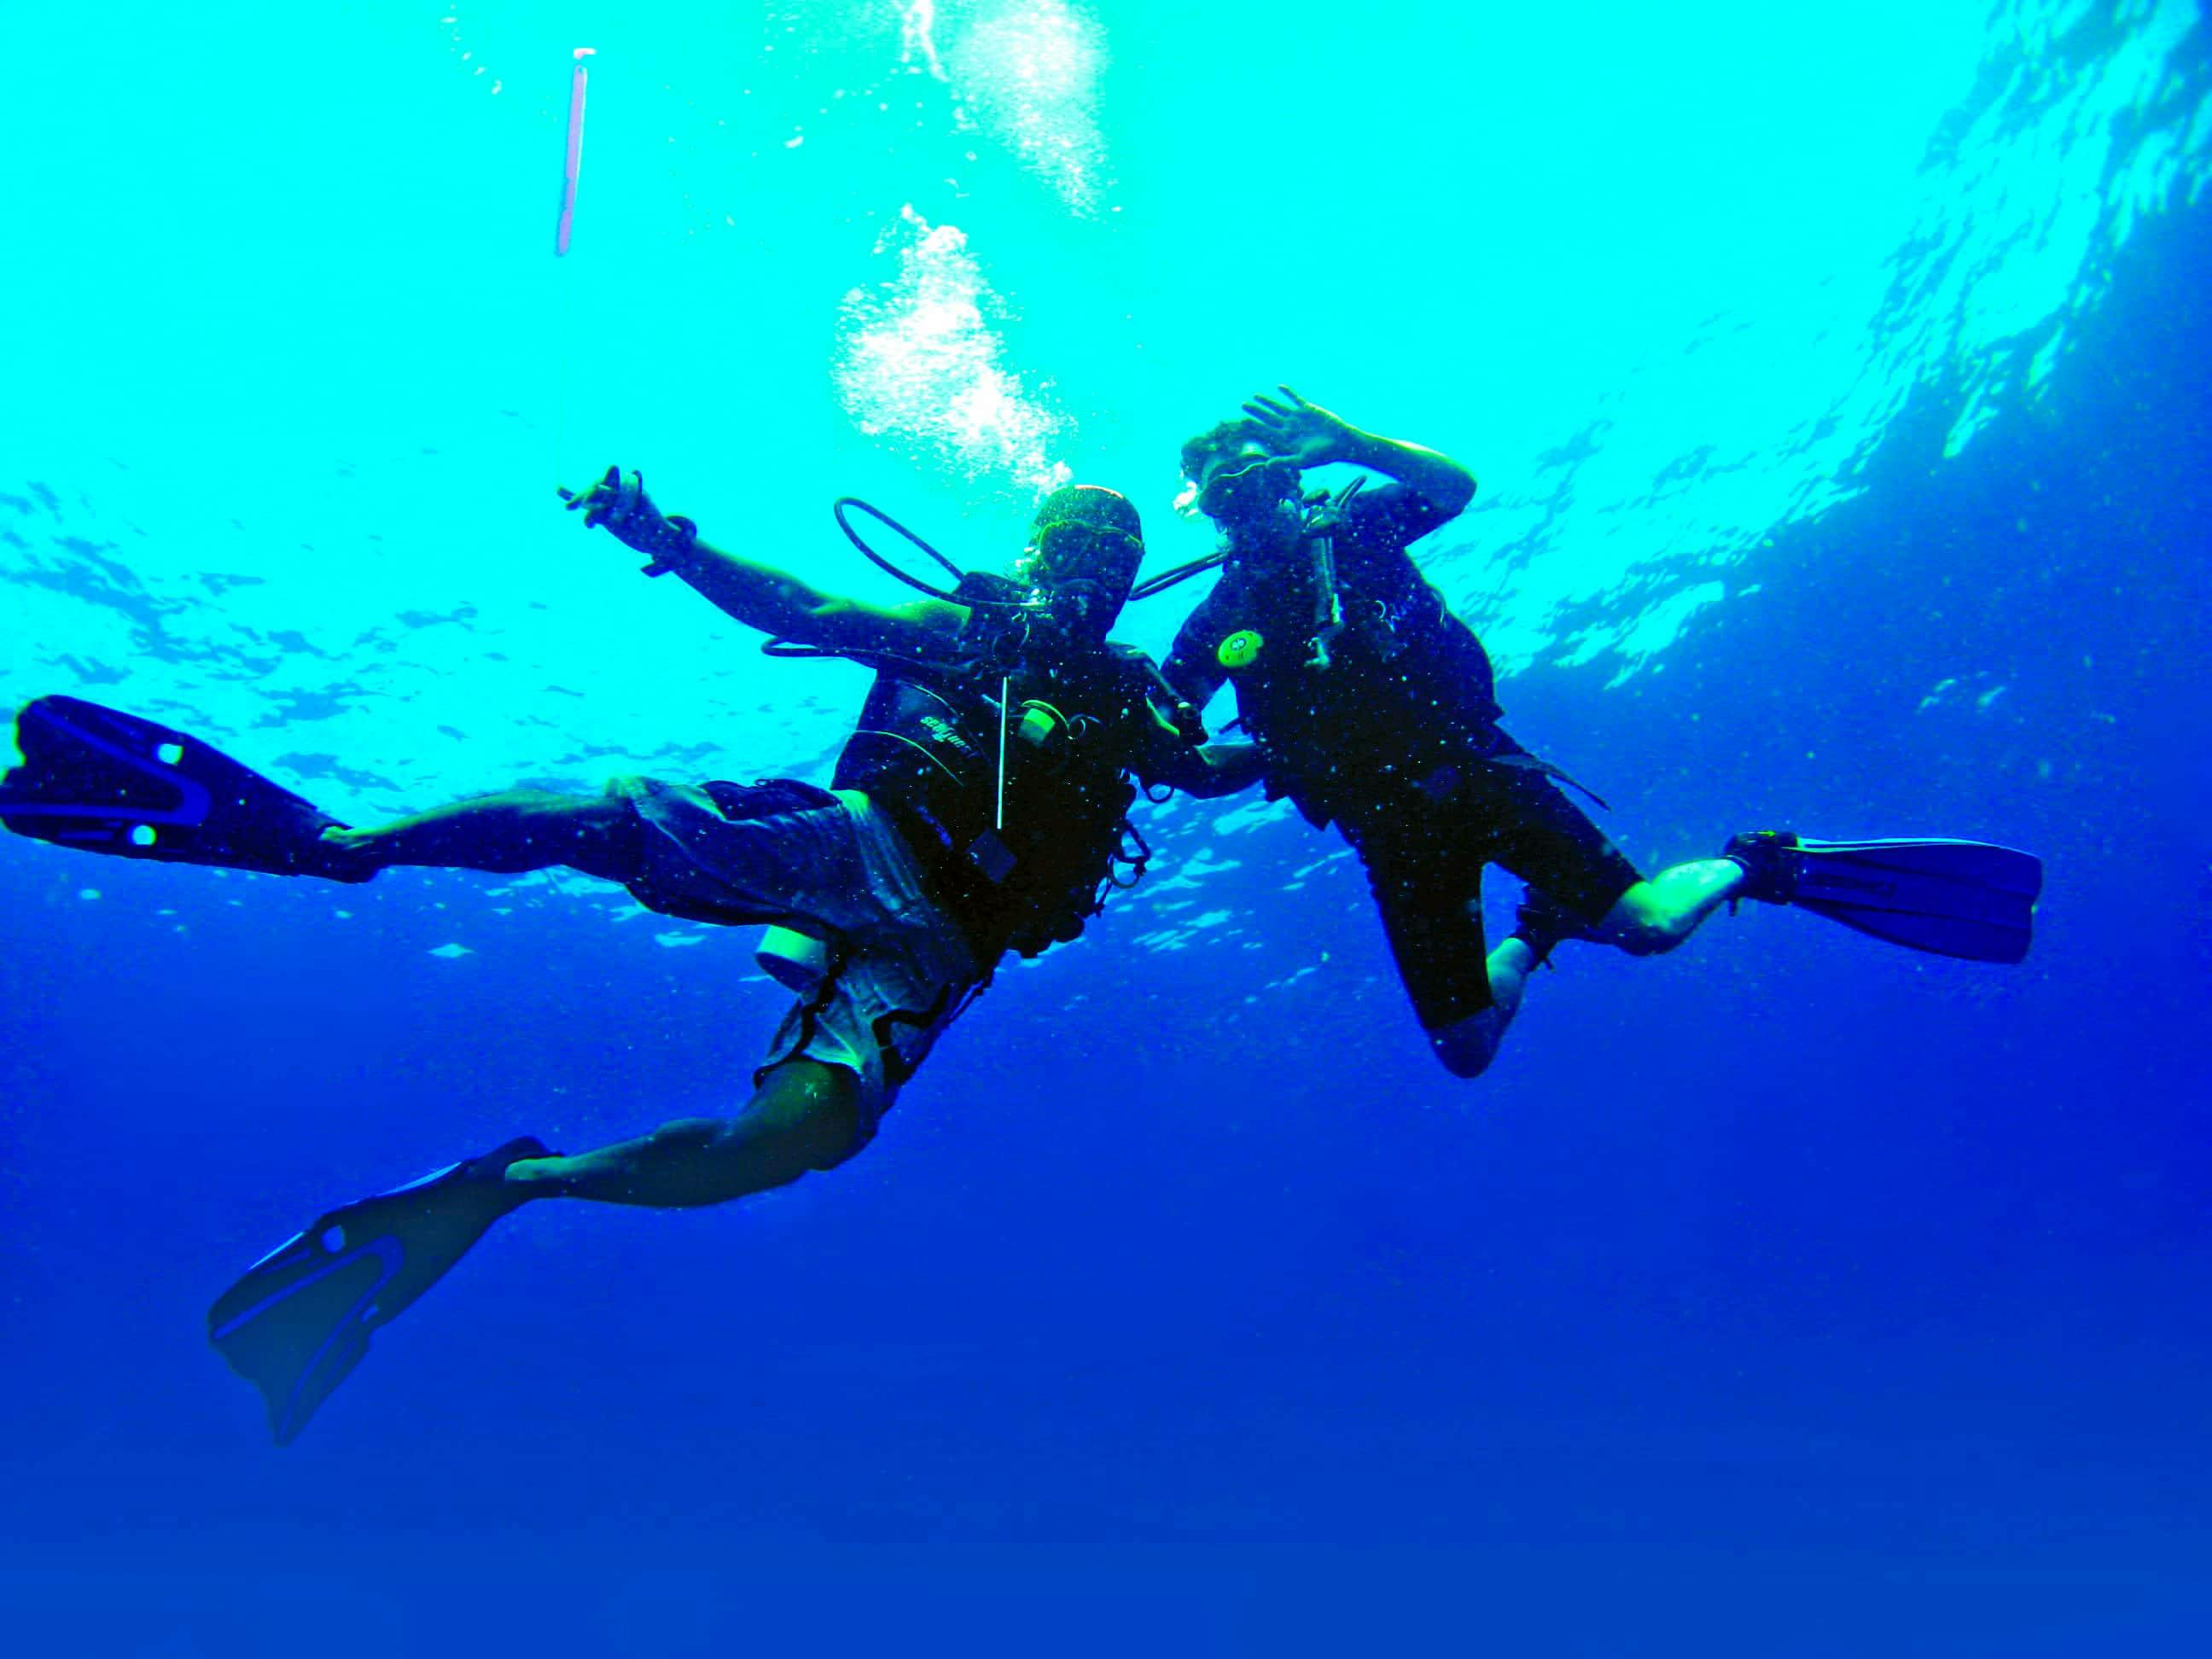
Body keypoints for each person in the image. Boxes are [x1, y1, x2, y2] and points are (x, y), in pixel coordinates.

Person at [0, 469, 1259, 1442]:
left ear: (1135, 576)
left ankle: (513, 1182)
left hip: (942, 954)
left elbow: (1207, 764)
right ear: (1036, 553)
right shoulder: (977, 637)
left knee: (782, 1148)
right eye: (1071, 546)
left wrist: (1299, 740)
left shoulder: (1137, 700)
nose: (1088, 570)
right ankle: (343, 842)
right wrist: (671, 542)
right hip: (866, 847)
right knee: (618, 828)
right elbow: (811, 610)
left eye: (1113, 556)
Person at [1160, 387, 2043, 1080]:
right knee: (1465, 1052)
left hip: (1482, 779)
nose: (1235, 473)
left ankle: (1758, 861)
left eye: (1247, 452)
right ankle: (1540, 932)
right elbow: (1177, 746)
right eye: (1214, 469)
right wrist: (1217, 754)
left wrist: (1352, 441)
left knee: (1650, 928)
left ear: (1286, 464)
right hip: (1390, 838)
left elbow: (1454, 486)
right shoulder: (1209, 624)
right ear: (1196, 503)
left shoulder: (1355, 527)